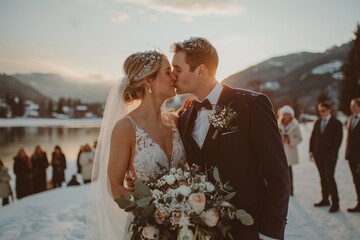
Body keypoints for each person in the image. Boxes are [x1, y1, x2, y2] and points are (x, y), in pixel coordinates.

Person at [172, 37, 290, 240]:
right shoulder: (184, 116)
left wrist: (270, 231)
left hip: (250, 228)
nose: (172, 75)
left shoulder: (252, 105)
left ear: (200, 70)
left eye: (177, 68)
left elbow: (278, 175)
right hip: (205, 230)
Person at [85, 50, 186, 240]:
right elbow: (114, 185)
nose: (174, 76)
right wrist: (145, 211)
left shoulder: (175, 121)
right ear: (148, 81)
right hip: (146, 229)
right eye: (167, 72)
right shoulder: (125, 128)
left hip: (183, 225)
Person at [309, 101, 343, 213]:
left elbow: (338, 140)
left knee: (330, 178)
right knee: (322, 178)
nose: (321, 113)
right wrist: (311, 152)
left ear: (329, 110)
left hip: (330, 156)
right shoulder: (318, 122)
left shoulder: (336, 123)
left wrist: (333, 154)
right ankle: (325, 199)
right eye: (320, 111)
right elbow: (313, 137)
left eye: (323, 110)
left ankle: (335, 203)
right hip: (318, 155)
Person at [278, 105, 302, 196]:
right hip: (281, 150)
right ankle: (282, 189)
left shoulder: (295, 125)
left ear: (291, 115)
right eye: (284, 114)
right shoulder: (278, 124)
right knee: (281, 171)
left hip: (290, 150)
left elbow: (299, 138)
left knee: (289, 171)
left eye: (288, 114)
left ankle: (290, 190)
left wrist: (290, 139)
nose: (286, 116)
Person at [345, 98, 360, 212]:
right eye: (351, 105)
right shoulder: (350, 119)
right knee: (356, 180)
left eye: (354, 105)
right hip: (351, 157)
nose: (351, 108)